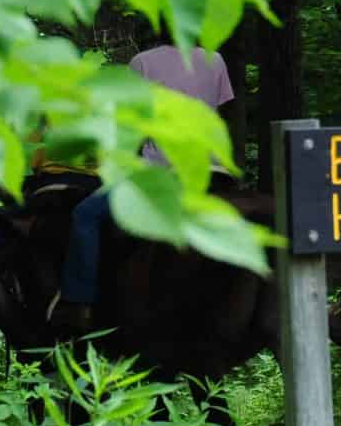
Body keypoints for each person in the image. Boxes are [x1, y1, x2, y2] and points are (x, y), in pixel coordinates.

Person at [49, 44, 235, 330]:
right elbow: (220, 116)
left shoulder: (143, 62)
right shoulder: (216, 59)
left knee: (85, 215)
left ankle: (79, 303)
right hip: (211, 171)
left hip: (161, 172)